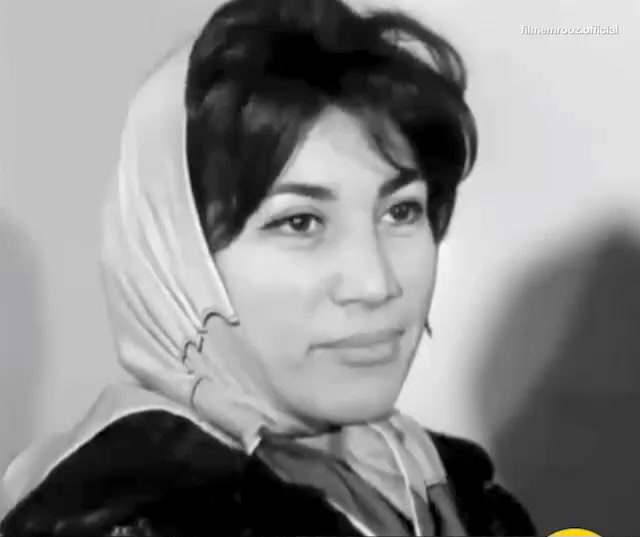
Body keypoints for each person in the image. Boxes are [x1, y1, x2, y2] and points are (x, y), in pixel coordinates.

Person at [0, 0, 536, 535]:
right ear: (175, 264)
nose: (376, 284)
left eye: (401, 212)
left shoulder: (444, 486)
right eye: (300, 222)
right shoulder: (133, 517)